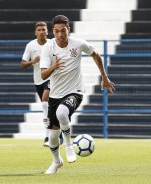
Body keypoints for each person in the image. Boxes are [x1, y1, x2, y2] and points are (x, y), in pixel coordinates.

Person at [40, 15, 115, 174]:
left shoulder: (78, 44)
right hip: (55, 95)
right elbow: (43, 75)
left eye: (63, 31)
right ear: (53, 31)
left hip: (75, 91)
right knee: (53, 137)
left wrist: (104, 76)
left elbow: (95, 55)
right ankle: (56, 161)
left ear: (69, 30)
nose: (60, 34)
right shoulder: (48, 47)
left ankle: (68, 145)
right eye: (56, 31)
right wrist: (54, 66)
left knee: (62, 112)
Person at [21, 22, 50, 147]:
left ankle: (48, 137)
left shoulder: (52, 44)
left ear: (47, 31)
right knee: (50, 109)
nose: (42, 32)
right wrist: (33, 61)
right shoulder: (30, 45)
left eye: (44, 29)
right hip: (38, 81)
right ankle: (55, 133)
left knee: (45, 102)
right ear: (35, 32)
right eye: (39, 30)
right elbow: (22, 64)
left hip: (51, 78)